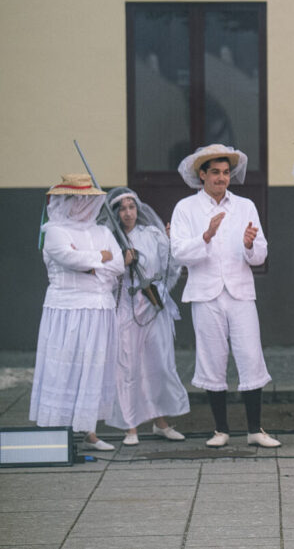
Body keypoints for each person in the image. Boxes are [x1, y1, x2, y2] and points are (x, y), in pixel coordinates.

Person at [170, 144, 280, 448]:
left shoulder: (244, 206)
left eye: (226, 173)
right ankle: (220, 430)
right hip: (206, 293)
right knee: (211, 358)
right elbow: (178, 252)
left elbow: (260, 255)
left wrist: (248, 245)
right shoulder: (186, 208)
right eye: (215, 172)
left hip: (240, 291)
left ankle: (255, 429)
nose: (222, 178)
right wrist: (205, 236)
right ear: (202, 174)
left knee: (250, 354)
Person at [30, 174, 124, 450]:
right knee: (63, 367)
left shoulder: (102, 232)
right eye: (76, 199)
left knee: (92, 369)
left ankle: (89, 430)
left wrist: (94, 261)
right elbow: (68, 258)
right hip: (67, 310)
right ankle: (55, 431)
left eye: (87, 199)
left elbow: (118, 263)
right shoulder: (55, 230)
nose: (82, 205)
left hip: (99, 309)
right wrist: (99, 258)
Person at [101, 188, 190, 444]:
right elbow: (104, 276)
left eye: (132, 207)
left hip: (151, 308)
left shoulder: (151, 235)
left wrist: (172, 243)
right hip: (125, 309)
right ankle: (131, 426)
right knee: (128, 366)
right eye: (122, 208)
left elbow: (170, 266)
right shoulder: (110, 239)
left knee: (158, 364)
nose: (128, 213)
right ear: (116, 213)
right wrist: (122, 262)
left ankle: (161, 422)